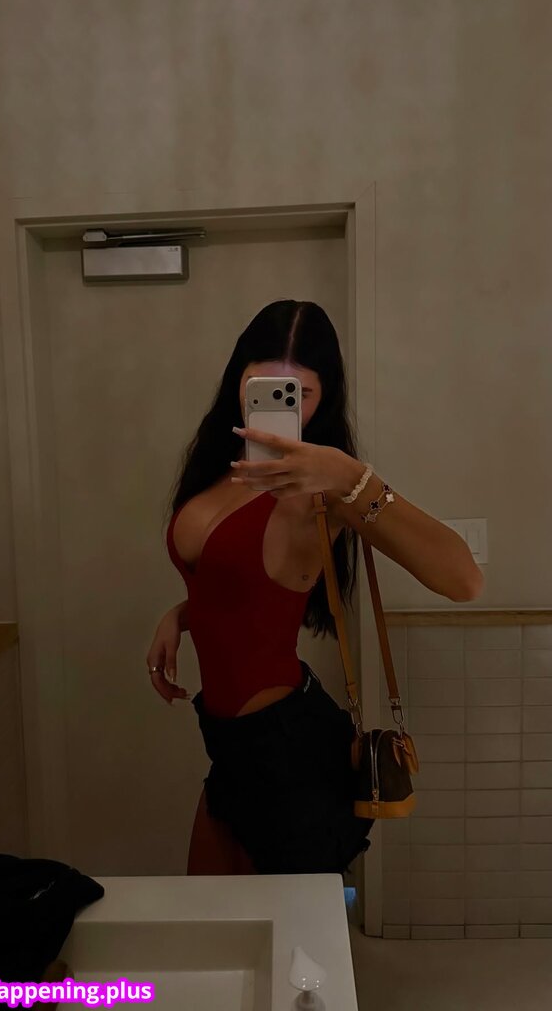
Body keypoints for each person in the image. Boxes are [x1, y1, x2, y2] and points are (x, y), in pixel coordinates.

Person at [147, 300, 483, 876]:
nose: (281, 405)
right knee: (211, 920)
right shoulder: (221, 469)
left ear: (325, 397)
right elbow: (238, 584)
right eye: (261, 387)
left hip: (287, 751)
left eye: (299, 393)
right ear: (237, 382)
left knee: (295, 934)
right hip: (228, 747)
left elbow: (464, 579)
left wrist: (352, 477)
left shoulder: (325, 490)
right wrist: (180, 614)